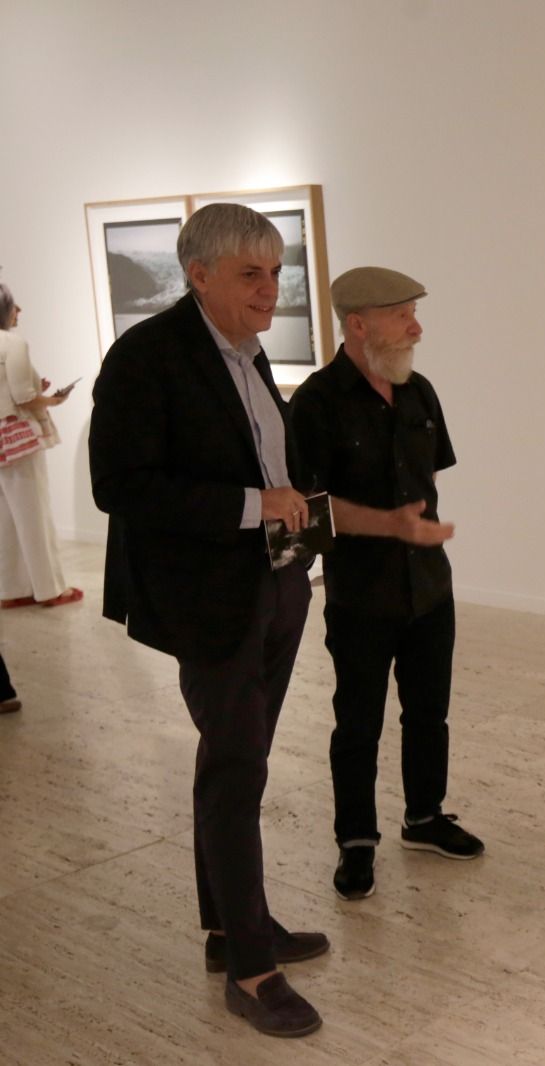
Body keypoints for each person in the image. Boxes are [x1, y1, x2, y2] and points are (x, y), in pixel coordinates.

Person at [89, 203, 327, 1038]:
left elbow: (268, 458)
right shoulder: (145, 359)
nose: (273, 288)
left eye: (276, 269)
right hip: (208, 599)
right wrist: (249, 505)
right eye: (251, 274)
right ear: (198, 275)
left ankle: (232, 927)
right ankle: (252, 972)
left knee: (240, 758)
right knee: (235, 770)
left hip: (276, 584)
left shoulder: (249, 354)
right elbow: (119, 486)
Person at [288, 266, 482, 903]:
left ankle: (424, 818)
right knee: (358, 723)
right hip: (360, 597)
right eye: (404, 315)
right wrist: (389, 526)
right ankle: (356, 841)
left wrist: (414, 534)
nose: (417, 327)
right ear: (359, 324)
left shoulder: (421, 393)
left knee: (429, 713)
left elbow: (429, 484)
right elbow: (305, 514)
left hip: (429, 590)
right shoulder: (315, 404)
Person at [0, 281, 82, 609]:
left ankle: (10, 589)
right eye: (14, 305)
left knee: (5, 518)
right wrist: (54, 399)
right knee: (35, 514)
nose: (19, 311)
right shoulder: (13, 343)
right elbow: (24, 397)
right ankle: (50, 590)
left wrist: (35, 386)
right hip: (17, 438)